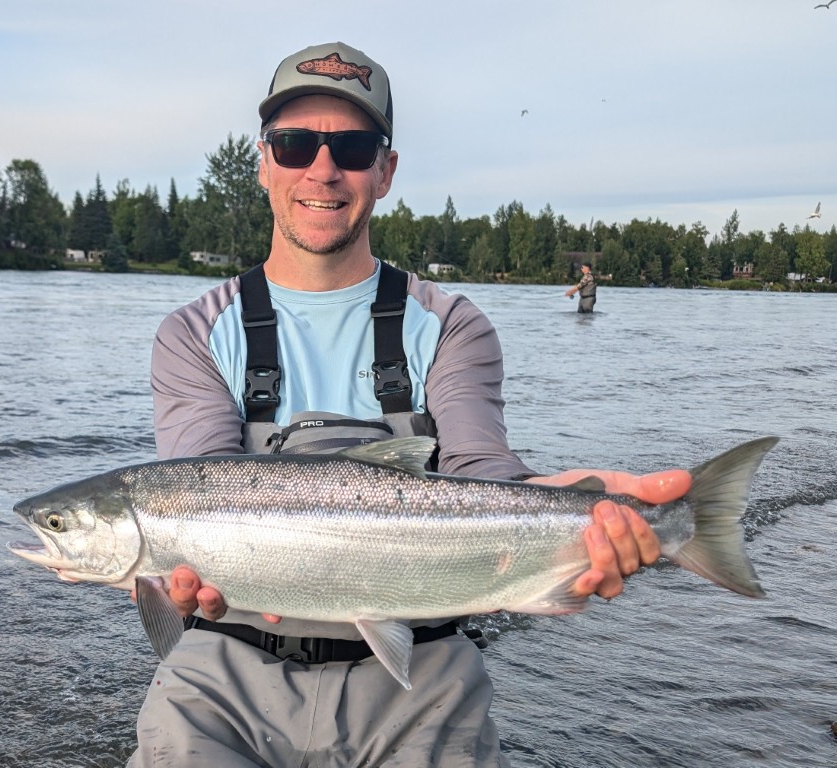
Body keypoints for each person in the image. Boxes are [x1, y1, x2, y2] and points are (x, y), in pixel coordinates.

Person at [129, 41, 690, 768]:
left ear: (385, 172)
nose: (322, 170)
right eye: (296, 145)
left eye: (353, 147)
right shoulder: (194, 331)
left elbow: (486, 473)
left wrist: (578, 510)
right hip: (226, 674)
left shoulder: (450, 324)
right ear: (264, 162)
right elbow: (201, 486)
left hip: (421, 675)